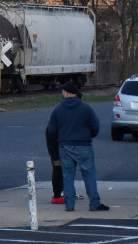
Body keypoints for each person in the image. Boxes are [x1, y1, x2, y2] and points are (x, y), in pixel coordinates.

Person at [45, 80, 108, 212]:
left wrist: (61, 139)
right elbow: (95, 126)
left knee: (68, 175)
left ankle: (69, 204)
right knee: (89, 174)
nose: (62, 93)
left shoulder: (58, 110)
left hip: (65, 146)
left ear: (67, 93)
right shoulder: (86, 108)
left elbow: (51, 131)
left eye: (63, 91)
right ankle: (94, 203)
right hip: (84, 145)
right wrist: (87, 136)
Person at [45, 126, 65, 204]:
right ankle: (58, 194)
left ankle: (62, 192)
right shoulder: (56, 118)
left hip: (58, 146)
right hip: (57, 147)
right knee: (58, 168)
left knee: (61, 169)